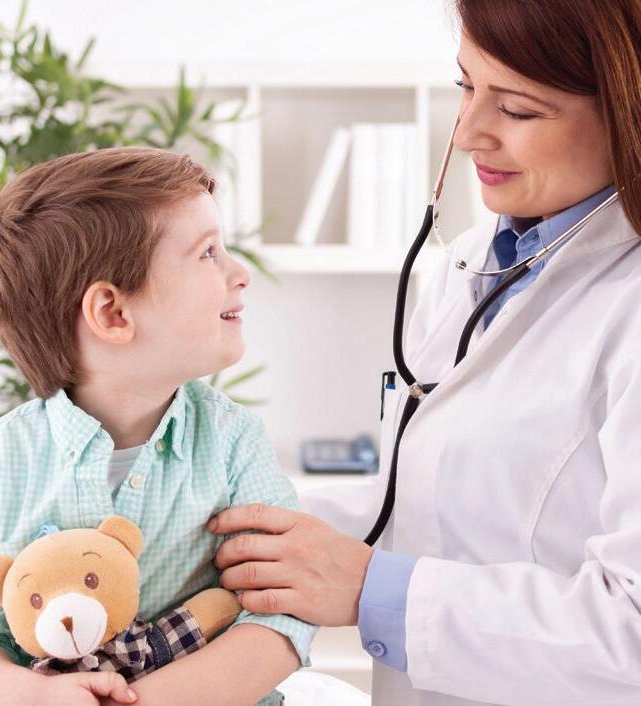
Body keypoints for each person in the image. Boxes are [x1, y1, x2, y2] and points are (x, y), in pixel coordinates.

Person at [209, 1, 641, 704]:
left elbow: (632, 628)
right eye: (465, 86)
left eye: (518, 109)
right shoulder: (470, 266)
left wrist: (373, 591)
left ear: (629, 114)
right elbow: (422, 502)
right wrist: (232, 528)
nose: (466, 133)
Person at [0, 147, 316, 706]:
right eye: (207, 252)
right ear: (113, 313)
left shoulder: (233, 444)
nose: (240, 273)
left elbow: (283, 613)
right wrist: (43, 699)